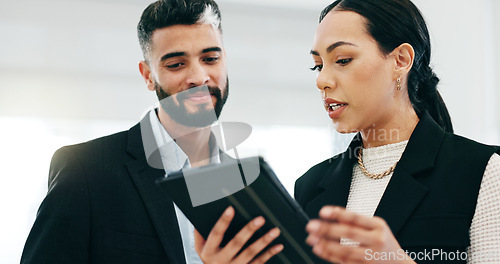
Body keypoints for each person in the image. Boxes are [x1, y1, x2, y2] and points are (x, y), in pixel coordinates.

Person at [20, 0, 281, 263]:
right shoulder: (85, 169)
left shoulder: (249, 188)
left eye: (210, 59)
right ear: (148, 76)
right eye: (176, 64)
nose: (199, 77)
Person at [294, 0, 500, 263]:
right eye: (318, 65)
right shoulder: (308, 187)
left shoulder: (483, 171)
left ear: (401, 60)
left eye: (343, 60)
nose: (322, 80)